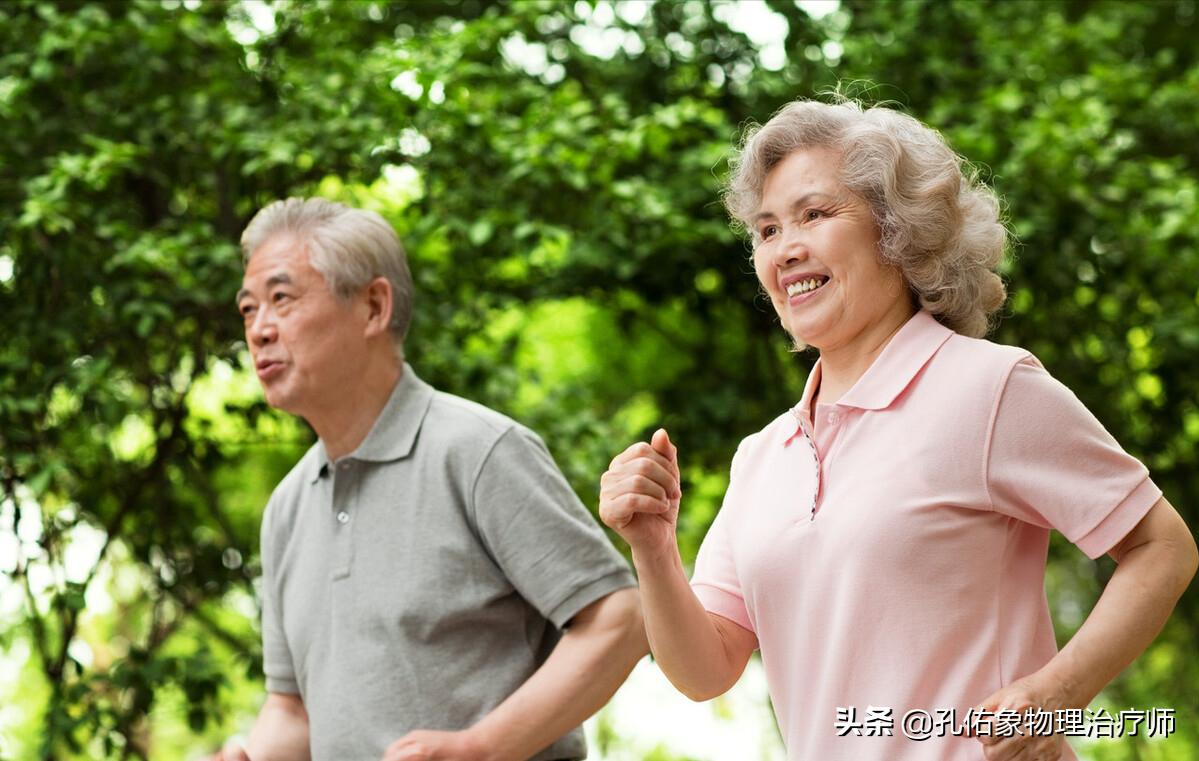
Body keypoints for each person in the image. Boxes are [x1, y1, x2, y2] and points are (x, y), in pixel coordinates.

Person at [599, 99, 1198, 761]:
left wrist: (1058, 691)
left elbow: (1162, 546)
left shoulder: (989, 387)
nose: (785, 248)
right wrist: (653, 547)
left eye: (814, 214)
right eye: (767, 230)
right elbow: (705, 670)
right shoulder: (762, 455)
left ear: (896, 231)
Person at [212, 198, 646, 761]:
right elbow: (292, 709)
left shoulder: (479, 452)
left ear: (373, 306)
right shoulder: (286, 508)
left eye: (281, 299)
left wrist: (480, 748)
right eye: (248, 309)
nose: (259, 330)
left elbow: (620, 621)